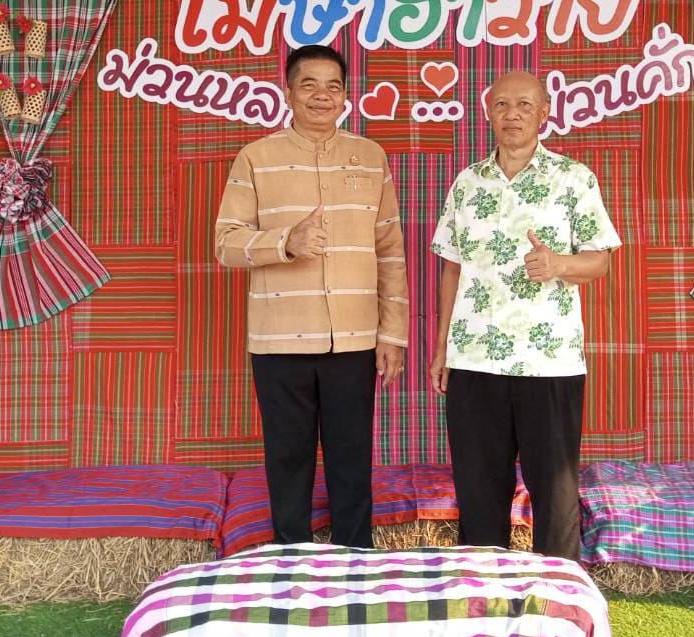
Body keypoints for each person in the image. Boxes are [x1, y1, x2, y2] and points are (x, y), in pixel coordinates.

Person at [213, 44, 408, 548]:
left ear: (345, 97)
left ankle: (356, 558)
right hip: (279, 340)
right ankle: (290, 558)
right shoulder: (256, 157)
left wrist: (393, 334)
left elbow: (390, 250)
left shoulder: (371, 158)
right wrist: (285, 242)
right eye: (309, 85)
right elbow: (225, 243)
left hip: (354, 338)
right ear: (288, 93)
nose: (322, 96)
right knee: (288, 457)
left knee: (351, 457)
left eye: (333, 87)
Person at [429, 71, 621, 561]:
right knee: (478, 488)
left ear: (544, 113)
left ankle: (557, 589)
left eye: (524, 105)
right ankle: (483, 584)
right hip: (473, 358)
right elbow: (451, 268)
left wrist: (558, 264)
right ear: (488, 112)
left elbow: (600, 259)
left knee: (554, 492)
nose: (512, 114)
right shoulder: (468, 183)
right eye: (502, 105)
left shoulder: (573, 178)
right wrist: (442, 347)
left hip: (548, 360)